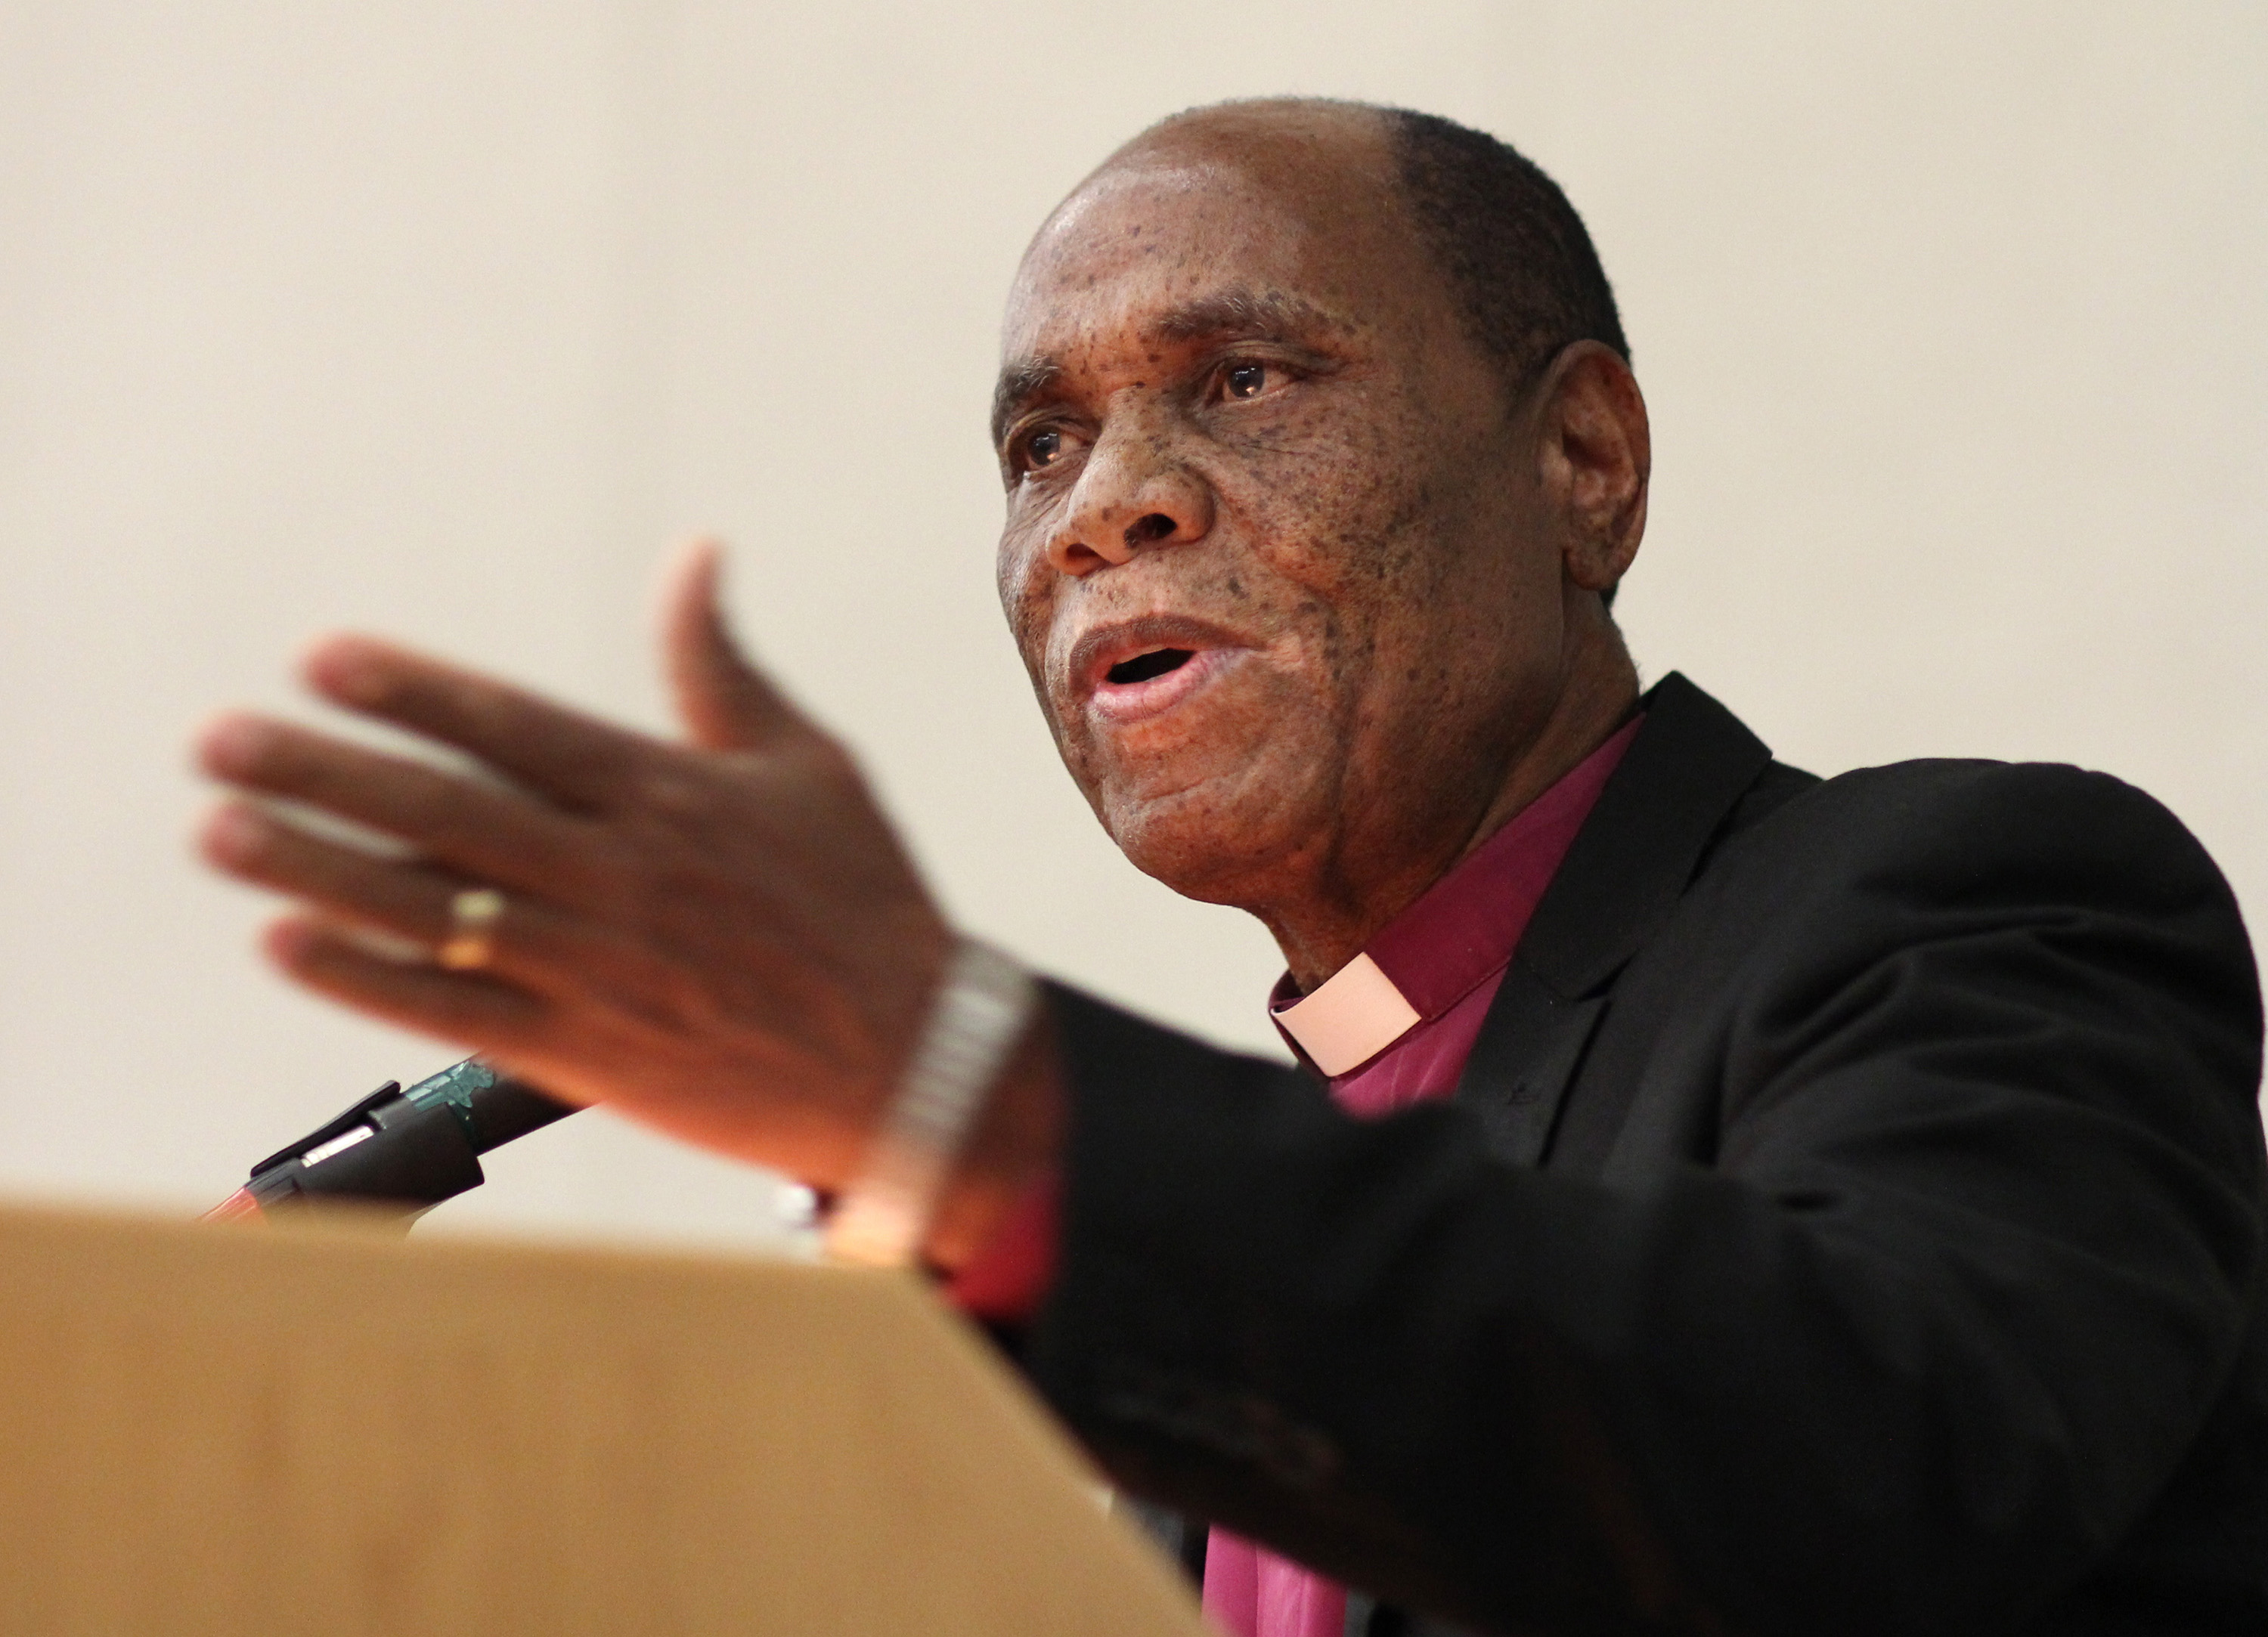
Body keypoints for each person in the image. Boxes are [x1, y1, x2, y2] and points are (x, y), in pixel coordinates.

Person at [194, 99, 2266, 1636]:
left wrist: (957, 1090)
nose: (1109, 508)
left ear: (1585, 462)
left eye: (1240, 382)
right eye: (1038, 446)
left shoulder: (1968, 906)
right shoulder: (1209, 1242)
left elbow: (1854, 1475)